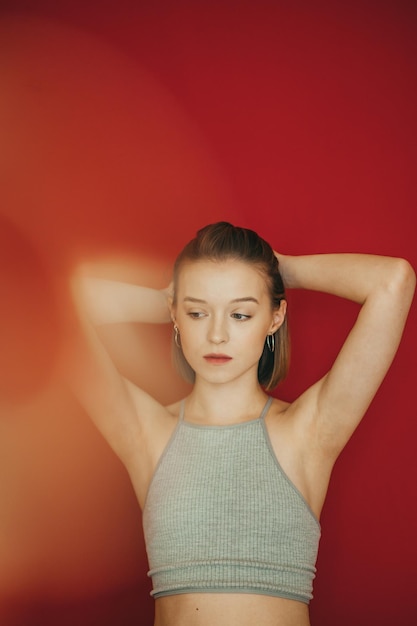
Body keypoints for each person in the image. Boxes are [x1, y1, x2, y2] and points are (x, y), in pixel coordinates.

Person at [66, 221, 415, 626]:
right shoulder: (146, 432)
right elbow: (49, 303)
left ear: (275, 317)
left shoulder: (308, 431)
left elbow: (394, 281)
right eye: (198, 312)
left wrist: (281, 272)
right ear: (176, 316)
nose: (217, 334)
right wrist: (169, 299)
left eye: (241, 313)